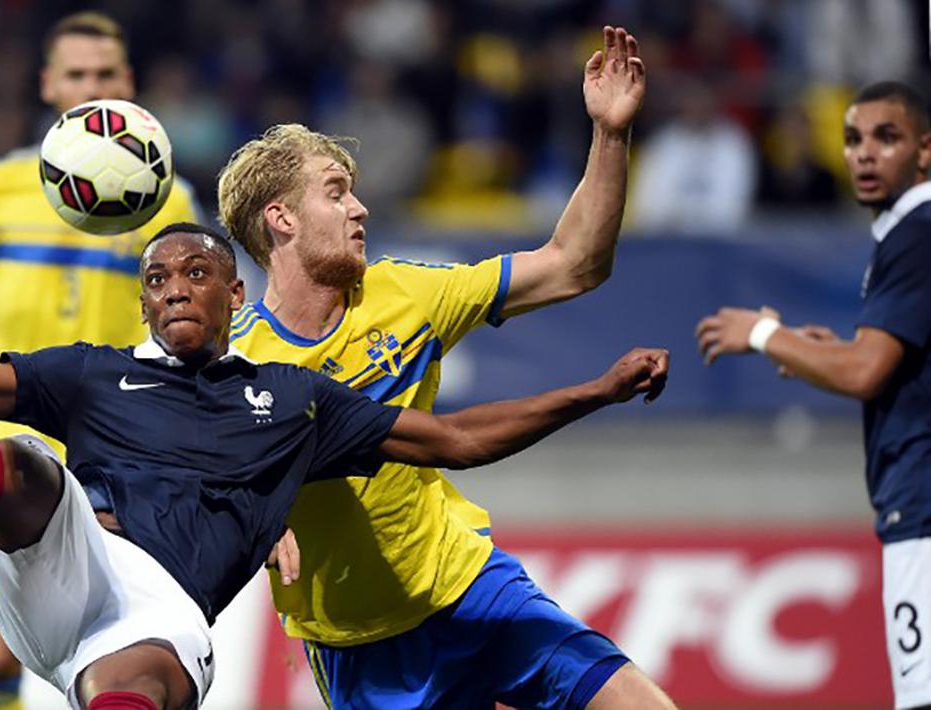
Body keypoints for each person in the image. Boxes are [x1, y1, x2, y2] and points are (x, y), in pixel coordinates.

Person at [0, 224, 670, 710]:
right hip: (75, 561)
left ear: (233, 289)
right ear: (142, 303)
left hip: (157, 611)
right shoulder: (92, 376)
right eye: (156, 279)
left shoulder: (295, 401)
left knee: (133, 684)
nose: (173, 286)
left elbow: (458, 438)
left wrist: (593, 390)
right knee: (11, 460)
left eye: (193, 273)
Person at [216, 25, 675, 708]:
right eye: (336, 192)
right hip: (361, 649)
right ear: (279, 219)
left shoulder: (405, 293)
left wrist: (609, 135)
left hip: (472, 588)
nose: (359, 206)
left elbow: (574, 264)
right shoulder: (238, 366)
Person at [0, 12, 201, 709]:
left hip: (118, 449)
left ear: (128, 84)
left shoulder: (164, 193)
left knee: (114, 652)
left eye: (104, 74)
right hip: (7, 442)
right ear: (49, 84)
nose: (90, 86)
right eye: (76, 74)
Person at [695, 81, 931, 710]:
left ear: (926, 150)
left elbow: (865, 373)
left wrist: (765, 334)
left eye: (887, 137)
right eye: (853, 139)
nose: (864, 154)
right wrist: (826, 350)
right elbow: (891, 363)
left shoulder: (916, 230)